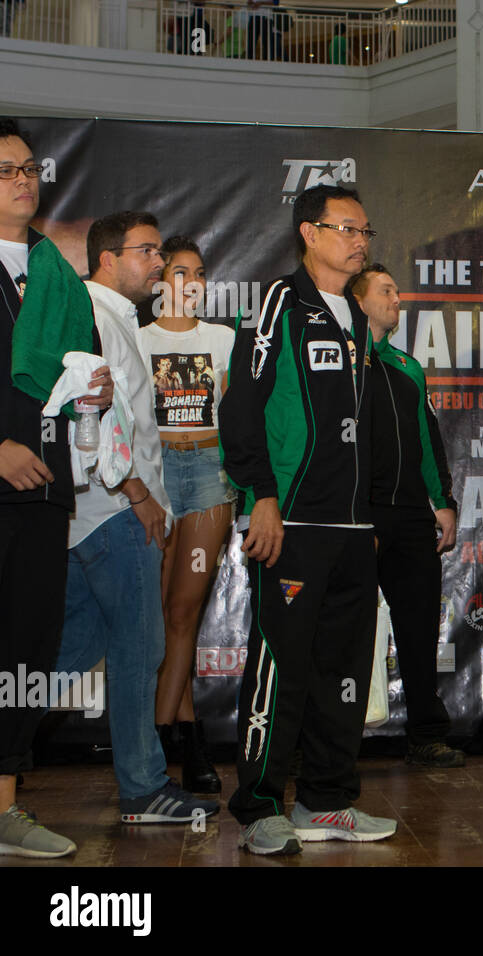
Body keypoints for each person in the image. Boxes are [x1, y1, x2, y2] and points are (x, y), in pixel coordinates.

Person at [220, 183, 391, 855]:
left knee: (343, 676)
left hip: (352, 531)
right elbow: (241, 407)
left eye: (365, 230)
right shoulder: (279, 304)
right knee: (279, 668)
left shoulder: (358, 315)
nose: (359, 240)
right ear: (309, 234)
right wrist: (261, 493)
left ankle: (326, 800)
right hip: (290, 522)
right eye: (346, 228)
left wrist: (371, 516)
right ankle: (260, 803)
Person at [57, 211, 220, 827]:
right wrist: (138, 492)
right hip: (113, 512)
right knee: (141, 646)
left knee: (75, 645)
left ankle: (7, 738)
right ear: (107, 258)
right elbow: (86, 419)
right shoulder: (94, 317)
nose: (158, 264)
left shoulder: (115, 319)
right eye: (146, 252)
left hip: (97, 513)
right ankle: (145, 787)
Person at [0, 118, 112, 858]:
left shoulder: (55, 273)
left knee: (25, 653)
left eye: (28, 167)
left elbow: (81, 375)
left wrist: (93, 393)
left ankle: (6, 807)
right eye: (4, 169)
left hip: (45, 490)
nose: (22, 178)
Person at [351, 263, 464, 768]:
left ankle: (426, 734)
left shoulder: (407, 366)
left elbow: (426, 439)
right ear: (359, 302)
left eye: (397, 290)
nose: (399, 298)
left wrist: (443, 502)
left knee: (418, 629)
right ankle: (332, 739)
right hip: (356, 515)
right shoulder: (340, 363)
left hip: (409, 517)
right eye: (387, 290)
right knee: (345, 631)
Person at [137, 236, 235, 794]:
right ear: (159, 281)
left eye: (199, 273)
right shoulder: (136, 336)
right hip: (152, 475)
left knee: (182, 612)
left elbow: (241, 415)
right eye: (179, 272)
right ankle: (188, 742)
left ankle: (150, 745)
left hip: (205, 472)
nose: (190, 283)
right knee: (157, 623)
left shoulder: (221, 339)